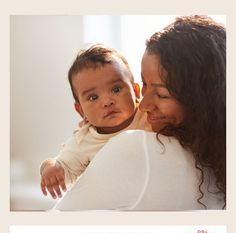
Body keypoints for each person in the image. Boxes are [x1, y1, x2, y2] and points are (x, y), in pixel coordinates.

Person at [54, 15, 226, 211]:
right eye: (145, 85)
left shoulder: (135, 145)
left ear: (201, 101)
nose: (142, 105)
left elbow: (57, 222)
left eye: (161, 94)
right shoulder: (216, 158)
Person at [40, 44, 151, 199]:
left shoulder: (149, 115)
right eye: (93, 97)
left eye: (116, 89)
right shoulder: (83, 140)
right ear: (81, 110)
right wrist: (50, 168)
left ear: (136, 92)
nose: (107, 101)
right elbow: (63, 166)